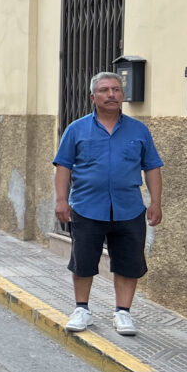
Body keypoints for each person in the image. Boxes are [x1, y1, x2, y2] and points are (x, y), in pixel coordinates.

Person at [55, 71, 163, 337]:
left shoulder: (139, 130)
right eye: (104, 90)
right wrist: (61, 201)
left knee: (129, 262)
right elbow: (63, 167)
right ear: (93, 97)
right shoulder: (76, 129)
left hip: (129, 208)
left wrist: (156, 202)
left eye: (116, 89)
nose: (111, 94)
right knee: (83, 261)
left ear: (122, 95)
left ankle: (123, 312)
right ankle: (82, 309)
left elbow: (152, 167)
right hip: (87, 206)